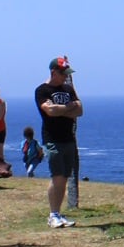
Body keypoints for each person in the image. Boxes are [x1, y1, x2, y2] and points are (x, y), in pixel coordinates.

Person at [36, 55, 83, 230]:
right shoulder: (42, 90)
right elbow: (49, 111)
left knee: (64, 177)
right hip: (52, 139)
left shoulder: (68, 89)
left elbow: (80, 110)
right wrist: (69, 107)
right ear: (53, 72)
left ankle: (58, 213)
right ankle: (53, 214)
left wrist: (61, 109)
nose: (65, 77)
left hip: (68, 139)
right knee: (57, 176)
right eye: (63, 73)